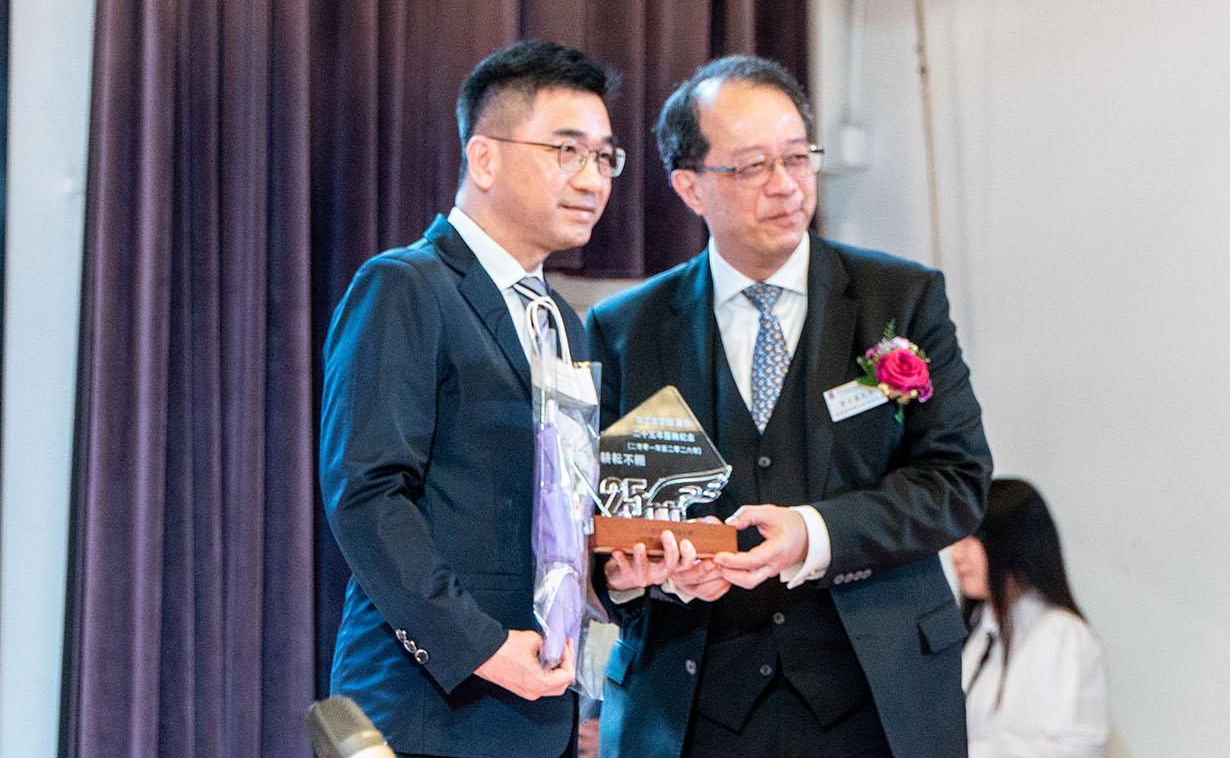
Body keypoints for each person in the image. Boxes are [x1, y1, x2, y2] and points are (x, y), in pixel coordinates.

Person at [587, 55, 994, 758]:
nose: (785, 185)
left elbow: (956, 482)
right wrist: (646, 574)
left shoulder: (901, 299)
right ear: (690, 185)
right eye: (752, 166)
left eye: (798, 157)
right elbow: (601, 520)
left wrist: (814, 531)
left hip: (875, 698)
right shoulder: (626, 328)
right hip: (690, 705)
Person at [320, 39, 623, 758]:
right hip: (428, 711)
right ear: (484, 159)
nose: (592, 179)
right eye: (567, 151)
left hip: (540, 714)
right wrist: (478, 644)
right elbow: (366, 493)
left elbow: (558, 507)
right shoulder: (405, 285)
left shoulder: (564, 321)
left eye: (605, 157)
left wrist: (617, 575)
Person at [950, 478, 1108, 758]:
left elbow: (1072, 751)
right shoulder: (976, 635)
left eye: (973, 537)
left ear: (1011, 542)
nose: (956, 554)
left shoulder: (1061, 635)